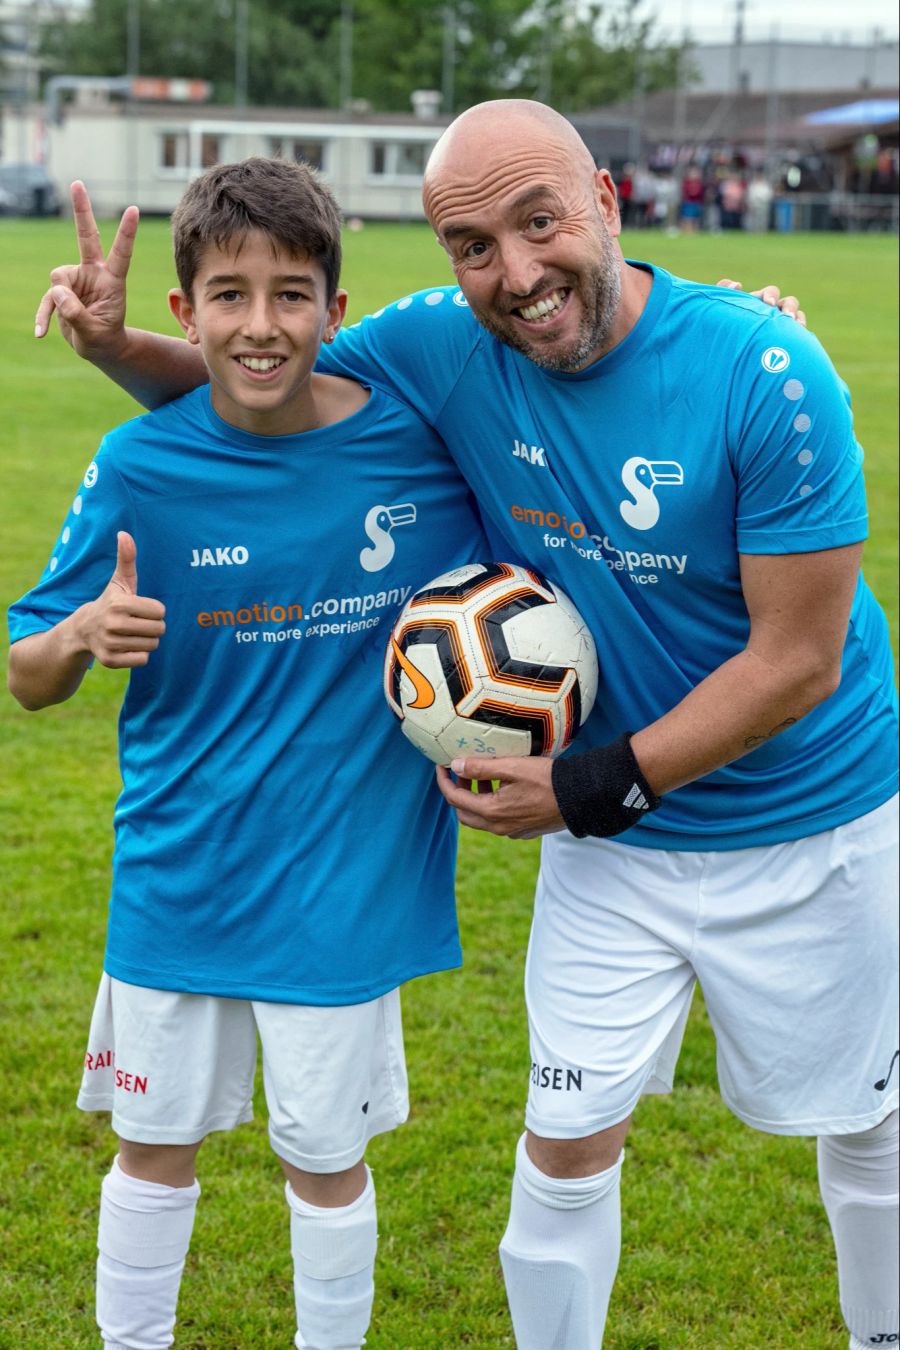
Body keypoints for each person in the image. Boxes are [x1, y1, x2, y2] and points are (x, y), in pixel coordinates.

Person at [30, 100, 896, 1350]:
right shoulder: (445, 341)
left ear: (604, 196)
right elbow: (268, 377)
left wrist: (587, 789)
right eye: (472, 244)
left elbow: (800, 660)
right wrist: (117, 348)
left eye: (539, 222)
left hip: (811, 817)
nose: (516, 273)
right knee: (562, 1142)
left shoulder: (763, 372)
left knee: (867, 1121)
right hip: (619, 852)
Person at [9, 156, 491, 1350]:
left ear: (338, 306)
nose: (261, 324)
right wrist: (77, 634)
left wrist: (752, 322)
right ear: (187, 312)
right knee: (152, 1154)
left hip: (345, 888)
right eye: (230, 295)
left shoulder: (420, 450)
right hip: (180, 878)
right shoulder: (141, 468)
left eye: (291, 294)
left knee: (326, 1162)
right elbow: (26, 673)